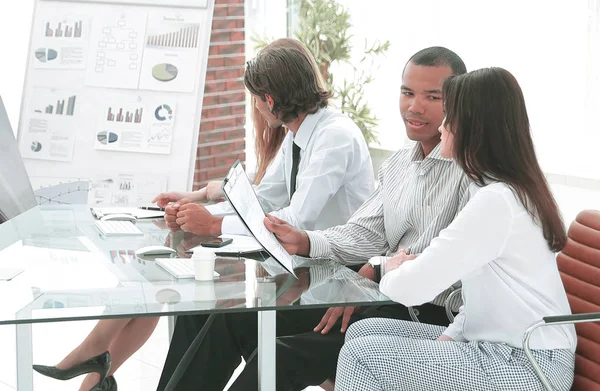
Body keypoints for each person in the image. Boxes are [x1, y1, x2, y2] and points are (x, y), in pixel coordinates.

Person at [32, 38, 371, 391]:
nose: (256, 106)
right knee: (199, 313)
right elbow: (261, 199)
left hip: (337, 285)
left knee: (219, 312)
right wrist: (197, 213)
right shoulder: (299, 135)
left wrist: (213, 224)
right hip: (303, 275)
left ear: (268, 100)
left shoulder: (335, 137)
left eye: (255, 98)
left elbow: (295, 220)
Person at [157, 47, 474, 391]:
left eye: (432, 96)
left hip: (422, 312)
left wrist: (373, 272)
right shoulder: (399, 165)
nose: (414, 106)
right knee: (226, 321)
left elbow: (442, 263)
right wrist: (306, 241)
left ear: (458, 102)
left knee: (280, 356)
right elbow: (365, 231)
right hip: (371, 291)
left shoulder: (472, 174)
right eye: (407, 93)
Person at [334, 67, 576, 390]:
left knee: (362, 355)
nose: (443, 127)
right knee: (362, 332)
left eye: (450, 117)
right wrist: (447, 338)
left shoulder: (497, 203)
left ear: (475, 129)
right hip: (503, 347)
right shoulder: (496, 189)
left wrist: (387, 268)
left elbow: (413, 287)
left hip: (528, 365)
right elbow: (480, 299)